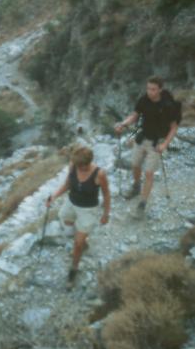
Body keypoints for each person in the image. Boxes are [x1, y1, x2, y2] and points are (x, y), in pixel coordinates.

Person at [47, 146, 111, 291]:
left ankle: (73, 269)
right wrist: (54, 196)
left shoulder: (99, 174)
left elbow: (106, 194)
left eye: (81, 167)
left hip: (88, 210)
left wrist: (106, 214)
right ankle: (83, 242)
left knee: (77, 244)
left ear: (88, 163)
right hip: (71, 203)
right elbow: (67, 184)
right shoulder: (73, 166)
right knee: (67, 225)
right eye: (77, 166)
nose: (79, 169)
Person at [115, 76, 180, 216]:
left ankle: (142, 203)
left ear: (160, 89)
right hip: (142, 137)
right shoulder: (144, 99)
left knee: (149, 173)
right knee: (135, 165)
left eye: (153, 89)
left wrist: (165, 144)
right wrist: (124, 124)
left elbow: (174, 127)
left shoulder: (168, 105)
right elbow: (135, 115)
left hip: (157, 142)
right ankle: (136, 186)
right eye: (148, 88)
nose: (150, 92)